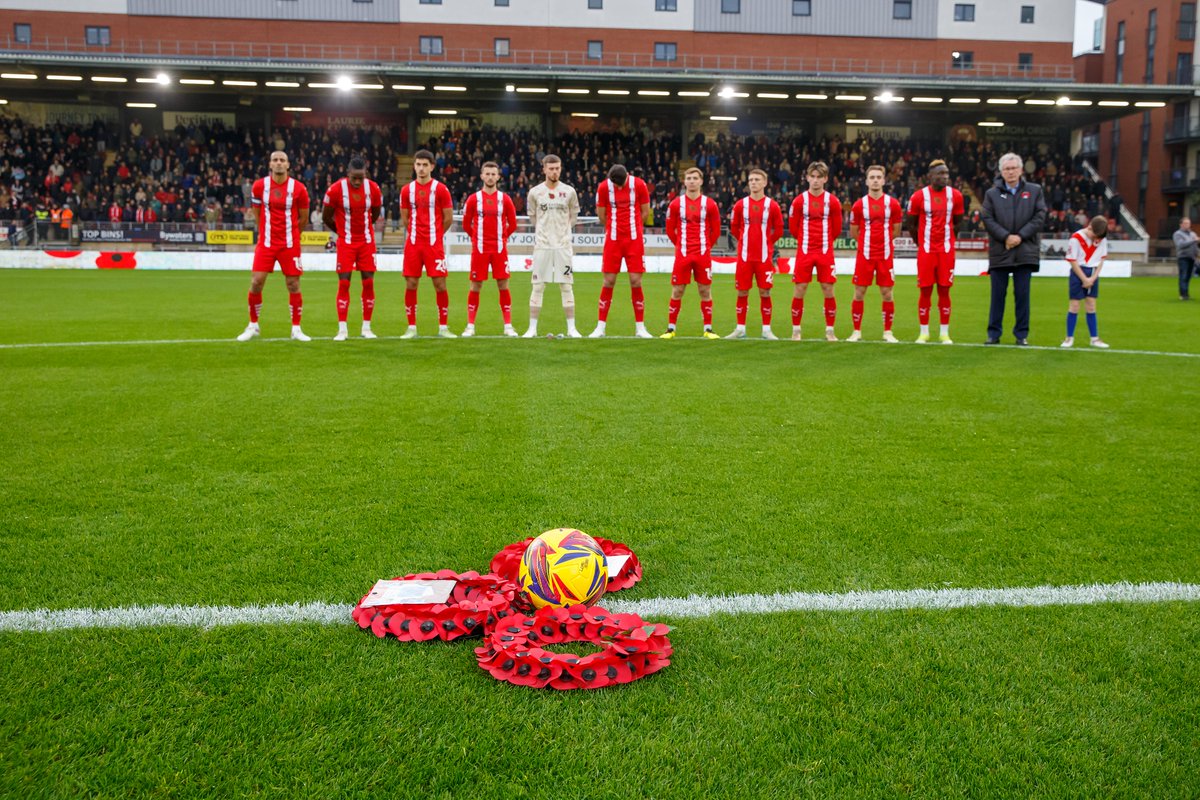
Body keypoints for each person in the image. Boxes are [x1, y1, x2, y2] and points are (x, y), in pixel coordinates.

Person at [236, 150, 311, 342]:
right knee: (256, 282)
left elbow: (303, 217)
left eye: (282, 160)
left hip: (289, 244)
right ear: (270, 164)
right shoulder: (260, 186)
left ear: (288, 165)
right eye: (275, 160)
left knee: (293, 284)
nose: (278, 163)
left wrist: (293, 235)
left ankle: (296, 329)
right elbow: (257, 211)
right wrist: (265, 232)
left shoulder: (299, 188)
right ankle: (253, 325)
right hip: (267, 243)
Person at [981, 152, 1047, 345]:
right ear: (1001, 171)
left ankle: (1021, 335)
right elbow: (987, 219)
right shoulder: (991, 194)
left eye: (1013, 168)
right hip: (1000, 251)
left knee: (1022, 296)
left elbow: (1040, 216)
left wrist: (1019, 237)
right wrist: (1006, 237)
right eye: (1006, 169)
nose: (1010, 172)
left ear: (1021, 170)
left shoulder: (1035, 191)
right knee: (997, 296)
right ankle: (994, 334)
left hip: (1025, 251)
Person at [322, 156, 382, 341]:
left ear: (365, 175)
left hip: (366, 242)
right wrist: (342, 232)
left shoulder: (373, 189)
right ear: (348, 174)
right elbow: (326, 217)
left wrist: (364, 230)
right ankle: (342, 330)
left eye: (360, 177)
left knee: (368, 283)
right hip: (346, 243)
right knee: (344, 283)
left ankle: (366, 328)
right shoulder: (335, 190)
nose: (357, 181)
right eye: (354, 177)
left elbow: (375, 213)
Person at [906, 159, 964, 344]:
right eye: (940, 173)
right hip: (926, 251)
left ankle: (944, 333)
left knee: (945, 291)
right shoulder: (918, 197)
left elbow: (958, 222)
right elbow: (911, 225)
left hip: (946, 251)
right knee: (925, 291)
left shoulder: (956, 196)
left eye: (946, 173)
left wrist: (947, 240)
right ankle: (924, 333)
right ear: (930, 176)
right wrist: (922, 244)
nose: (944, 177)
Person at [399, 149, 455, 339]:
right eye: (418, 164)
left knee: (439, 284)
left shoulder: (441, 189)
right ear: (414, 166)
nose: (421, 168)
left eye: (425, 165)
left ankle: (443, 327)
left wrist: (435, 235)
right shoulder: (406, 190)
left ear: (432, 166)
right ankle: (411, 327)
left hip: (434, 245)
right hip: (414, 244)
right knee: (411, 283)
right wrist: (417, 233)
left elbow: (448, 218)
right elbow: (405, 218)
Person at [524, 154, 582, 338]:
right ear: (544, 170)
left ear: (561, 169)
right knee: (538, 285)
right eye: (551, 168)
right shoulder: (535, 192)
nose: (554, 171)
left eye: (557, 168)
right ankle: (532, 329)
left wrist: (563, 232)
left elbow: (574, 215)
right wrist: (544, 231)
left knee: (566, 285)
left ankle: (572, 329)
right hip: (542, 246)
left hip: (563, 247)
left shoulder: (569, 192)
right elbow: (533, 217)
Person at [592, 164, 652, 338]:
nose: (618, 187)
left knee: (635, 280)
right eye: (615, 184)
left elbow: (645, 212)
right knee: (609, 280)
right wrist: (614, 228)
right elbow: (601, 214)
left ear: (627, 175)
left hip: (634, 240)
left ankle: (640, 327)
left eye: (621, 183)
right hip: (613, 240)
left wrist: (634, 229)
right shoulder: (603, 187)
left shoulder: (639, 184)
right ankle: (600, 327)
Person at [661, 167, 720, 339]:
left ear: (701, 181)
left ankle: (708, 329)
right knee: (677, 290)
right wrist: (680, 246)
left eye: (695, 178)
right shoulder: (675, 204)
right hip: (683, 254)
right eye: (689, 178)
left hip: (702, 254)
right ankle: (670, 329)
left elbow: (715, 231)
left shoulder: (710, 204)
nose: (692, 181)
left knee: (704, 290)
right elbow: (670, 230)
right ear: (684, 181)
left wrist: (706, 246)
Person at [461, 161, 518, 337]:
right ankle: (470, 325)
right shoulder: (473, 199)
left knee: (503, 285)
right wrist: (478, 239)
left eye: (494, 174)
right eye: (488, 174)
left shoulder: (505, 199)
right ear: (482, 176)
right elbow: (466, 224)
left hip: (499, 250)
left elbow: (513, 224)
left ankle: (508, 326)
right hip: (480, 250)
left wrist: (501, 239)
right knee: (476, 285)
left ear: (498, 177)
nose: (491, 177)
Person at [788, 161, 843, 342]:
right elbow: (794, 228)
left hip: (825, 252)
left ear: (826, 179)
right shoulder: (799, 201)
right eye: (812, 176)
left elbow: (836, 228)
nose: (816, 180)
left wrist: (824, 243)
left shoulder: (833, 201)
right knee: (800, 289)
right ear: (807, 178)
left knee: (828, 289)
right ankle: (796, 330)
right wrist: (806, 242)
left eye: (819, 177)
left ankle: (830, 330)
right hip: (805, 252)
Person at [726, 168, 783, 340]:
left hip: (764, 258)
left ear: (765, 183)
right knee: (742, 292)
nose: (753, 182)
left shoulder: (772, 205)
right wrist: (745, 241)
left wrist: (767, 243)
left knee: (765, 292)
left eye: (757, 180)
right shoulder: (740, 205)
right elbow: (734, 228)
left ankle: (766, 329)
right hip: (744, 257)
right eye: (751, 180)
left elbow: (779, 230)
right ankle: (740, 328)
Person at [848, 165, 902, 343]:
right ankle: (856, 331)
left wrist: (883, 243)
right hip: (865, 255)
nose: (876, 180)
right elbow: (854, 232)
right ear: (866, 181)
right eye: (872, 177)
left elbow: (896, 230)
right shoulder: (859, 205)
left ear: (884, 180)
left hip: (885, 255)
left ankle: (888, 332)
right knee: (859, 292)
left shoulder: (893, 204)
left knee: (887, 293)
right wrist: (866, 244)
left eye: (879, 177)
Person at [1061, 216, 1110, 349]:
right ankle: (1069, 338)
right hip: (1078, 274)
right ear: (1089, 227)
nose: (1096, 239)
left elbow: (1101, 260)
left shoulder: (1102, 238)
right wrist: (1084, 279)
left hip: (1093, 273)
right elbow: (1072, 260)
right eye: (1094, 235)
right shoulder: (1076, 238)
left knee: (1091, 306)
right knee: (1074, 306)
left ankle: (1094, 339)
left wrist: (1093, 278)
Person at [1173, 217, 1198, 301]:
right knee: (1183, 275)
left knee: (1188, 276)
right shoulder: (1178, 234)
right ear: (1181, 224)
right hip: (1183, 257)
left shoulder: (1192, 234)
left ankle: (1186, 294)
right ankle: (1182, 295)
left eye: (1189, 223)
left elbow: (1195, 246)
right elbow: (1180, 245)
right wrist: (1193, 241)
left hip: (1192, 257)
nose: (1188, 225)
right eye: (1186, 223)